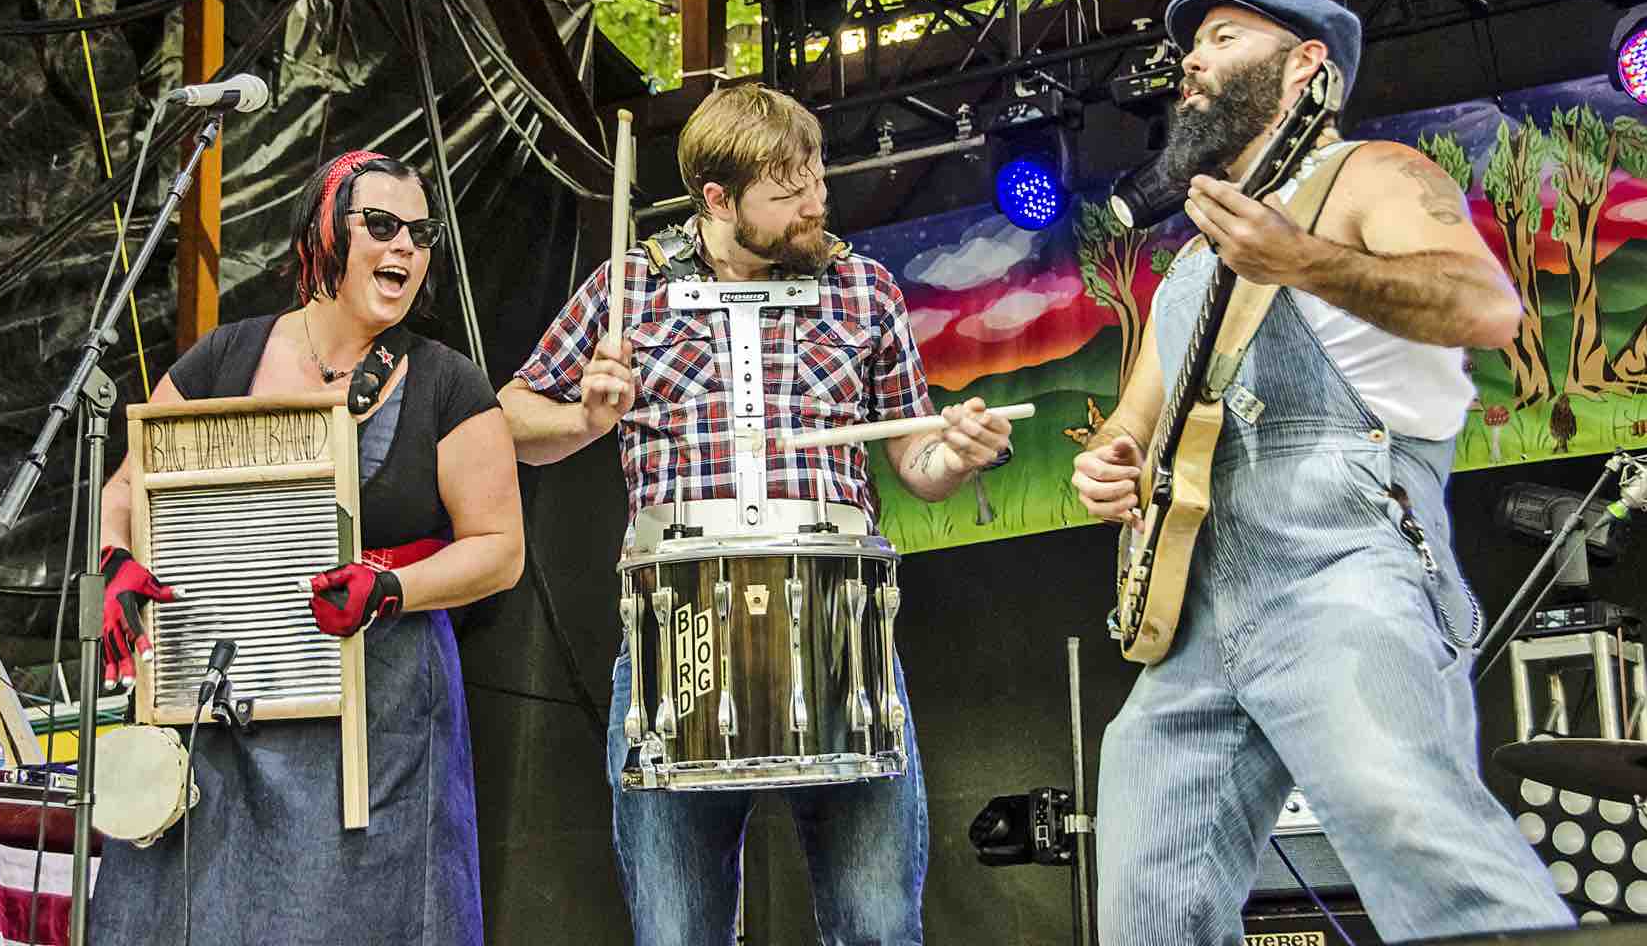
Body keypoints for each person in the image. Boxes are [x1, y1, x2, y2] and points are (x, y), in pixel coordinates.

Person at [1070, 0, 1571, 943]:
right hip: (1191, 611)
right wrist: (1106, 466)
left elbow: (1486, 307)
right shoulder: (1188, 264)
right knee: (1144, 909)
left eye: (1223, 36)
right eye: (1192, 47)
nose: (1192, 61)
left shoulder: (1373, 173)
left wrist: (1300, 260)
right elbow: (1129, 424)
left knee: (1420, 842)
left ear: (1307, 66)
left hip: (1342, 561)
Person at [499, 83, 1014, 945]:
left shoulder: (863, 286)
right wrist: (587, 417)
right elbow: (512, 420)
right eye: (789, 193)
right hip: (678, 646)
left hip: (842, 636)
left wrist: (954, 456)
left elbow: (916, 465)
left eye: (817, 180)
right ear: (717, 200)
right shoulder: (629, 287)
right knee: (676, 932)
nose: (818, 204)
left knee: (878, 927)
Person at [89, 150, 524, 946]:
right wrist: (118, 560)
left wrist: (388, 589)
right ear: (324, 231)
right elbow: (125, 489)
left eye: (420, 235)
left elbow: (499, 550)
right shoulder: (226, 358)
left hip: (376, 722)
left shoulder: (446, 383)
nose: (405, 249)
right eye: (383, 227)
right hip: (220, 718)